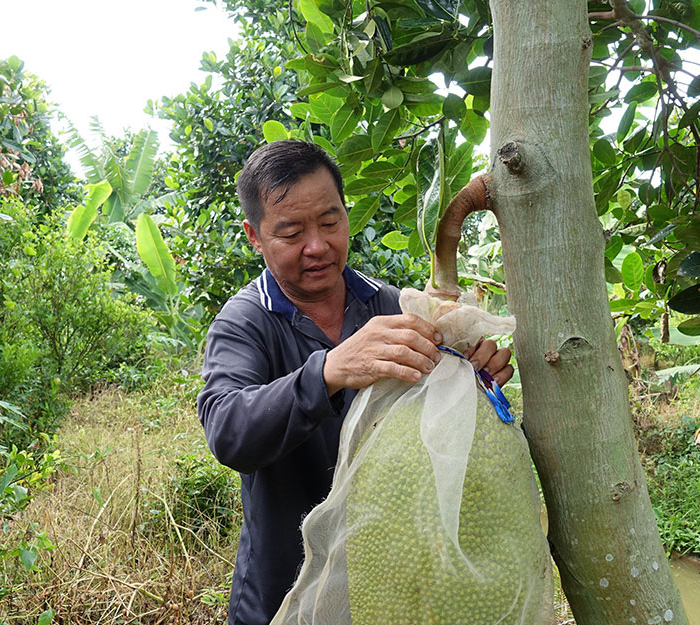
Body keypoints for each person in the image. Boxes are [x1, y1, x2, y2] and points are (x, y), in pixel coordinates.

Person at [197, 140, 513, 625]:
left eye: (330, 222)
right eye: (291, 232)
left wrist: (473, 382)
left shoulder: (390, 307)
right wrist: (328, 371)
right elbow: (228, 429)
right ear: (254, 236)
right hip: (282, 593)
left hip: (384, 587)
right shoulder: (244, 323)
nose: (318, 245)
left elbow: (431, 429)